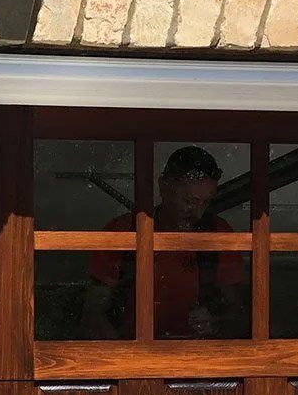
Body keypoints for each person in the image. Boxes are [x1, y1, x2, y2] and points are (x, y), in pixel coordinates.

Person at [83, 145, 246, 338]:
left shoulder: (218, 234)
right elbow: (93, 314)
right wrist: (124, 357)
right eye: (189, 201)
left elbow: (239, 314)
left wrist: (215, 323)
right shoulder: (123, 231)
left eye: (206, 203)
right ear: (164, 187)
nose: (198, 213)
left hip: (198, 357)